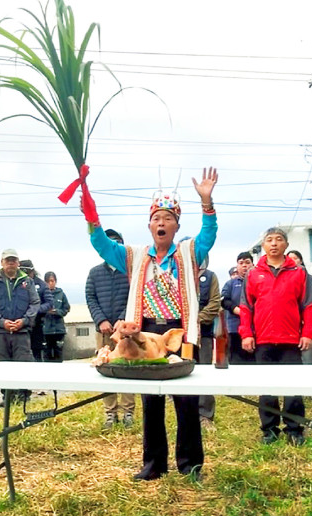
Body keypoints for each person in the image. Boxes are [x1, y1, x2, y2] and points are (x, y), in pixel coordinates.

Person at [88, 167, 218, 481]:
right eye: (156, 219)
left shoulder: (189, 252)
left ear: (176, 225)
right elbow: (104, 246)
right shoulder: (135, 255)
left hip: (180, 331)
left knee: (186, 400)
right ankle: (153, 464)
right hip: (145, 332)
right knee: (151, 400)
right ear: (149, 225)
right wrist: (92, 220)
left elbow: (209, 235)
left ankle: (191, 466)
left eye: (168, 219)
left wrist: (206, 202)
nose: (161, 224)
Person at [239, 228, 312, 446]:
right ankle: (269, 429)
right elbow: (245, 307)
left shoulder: (299, 273)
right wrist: (246, 334)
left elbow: (309, 305)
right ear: (264, 245)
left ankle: (294, 429)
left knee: (293, 386)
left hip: (291, 340)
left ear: (286, 244)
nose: (274, 243)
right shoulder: (254, 274)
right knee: (267, 386)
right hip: (263, 340)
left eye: (279, 240)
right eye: (269, 240)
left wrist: (308, 333)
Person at [85, 228, 135, 430]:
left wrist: (124, 319)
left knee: (127, 368)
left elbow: (134, 295)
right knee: (105, 368)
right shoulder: (95, 273)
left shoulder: (131, 270)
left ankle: (128, 412)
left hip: (127, 332)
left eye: (117, 243)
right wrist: (101, 320)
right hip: (104, 331)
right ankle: (110, 413)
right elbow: (91, 298)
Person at [0, 248, 40, 407]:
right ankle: (7, 396)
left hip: (22, 331)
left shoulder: (27, 283)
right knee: (3, 364)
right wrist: (2, 322)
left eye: (13, 260)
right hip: (1, 331)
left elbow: (35, 303)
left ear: (18, 263)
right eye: (8, 260)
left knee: (23, 362)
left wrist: (24, 320)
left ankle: (23, 395)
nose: (11, 263)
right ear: (2, 263)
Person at [194, 257, 220, 430]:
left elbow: (215, 301)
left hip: (204, 332)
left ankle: (205, 415)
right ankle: (187, 413)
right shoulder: (177, 275)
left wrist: (198, 319)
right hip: (181, 334)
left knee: (203, 372)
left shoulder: (210, 277)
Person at [221, 252, 255, 365]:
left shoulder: (258, 281)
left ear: (253, 264)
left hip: (256, 329)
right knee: (236, 360)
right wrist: (237, 310)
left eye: (247, 262)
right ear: (237, 266)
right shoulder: (230, 284)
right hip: (235, 328)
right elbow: (224, 300)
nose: (244, 265)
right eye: (241, 263)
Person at [288, 249, 312, 365]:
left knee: (308, 360)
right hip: (290, 327)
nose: (292, 261)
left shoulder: (310, 279)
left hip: (306, 324)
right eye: (289, 258)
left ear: (301, 261)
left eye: (295, 258)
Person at [20, 260, 54, 362]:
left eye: (26, 271)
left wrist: (35, 310)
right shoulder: (17, 284)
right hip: (21, 324)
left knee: (37, 353)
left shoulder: (41, 285)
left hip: (36, 324)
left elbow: (49, 303)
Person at [43, 271, 70, 362]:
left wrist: (57, 312)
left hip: (59, 330)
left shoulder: (61, 294)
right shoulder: (41, 294)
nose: (50, 283)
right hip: (46, 331)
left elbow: (66, 308)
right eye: (48, 281)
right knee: (47, 354)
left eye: (52, 281)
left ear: (55, 281)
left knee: (58, 354)